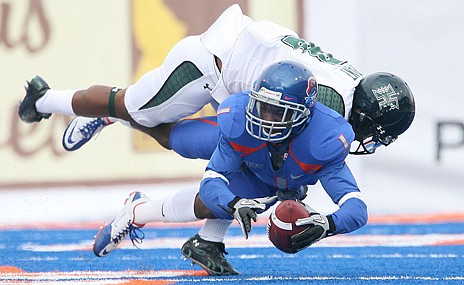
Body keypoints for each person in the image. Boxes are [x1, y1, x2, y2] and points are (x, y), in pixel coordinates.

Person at [18, 4, 415, 275]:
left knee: (268, 178)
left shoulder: (345, 99)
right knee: (133, 107)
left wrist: (317, 216)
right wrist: (297, 198)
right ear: (361, 114)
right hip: (217, 61)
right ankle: (45, 99)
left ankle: (206, 242)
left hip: (258, 97)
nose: (370, 140)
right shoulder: (327, 107)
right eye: (375, 131)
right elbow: (263, 165)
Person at [92, 61, 368, 275]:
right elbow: (212, 181)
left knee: (212, 206)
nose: (267, 118)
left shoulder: (324, 141)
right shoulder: (240, 122)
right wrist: (233, 203)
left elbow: (356, 208)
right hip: (245, 147)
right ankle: (115, 114)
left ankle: (140, 211)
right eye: (262, 107)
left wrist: (327, 225)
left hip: (269, 179)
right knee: (172, 139)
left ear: (303, 115)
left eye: (278, 112)